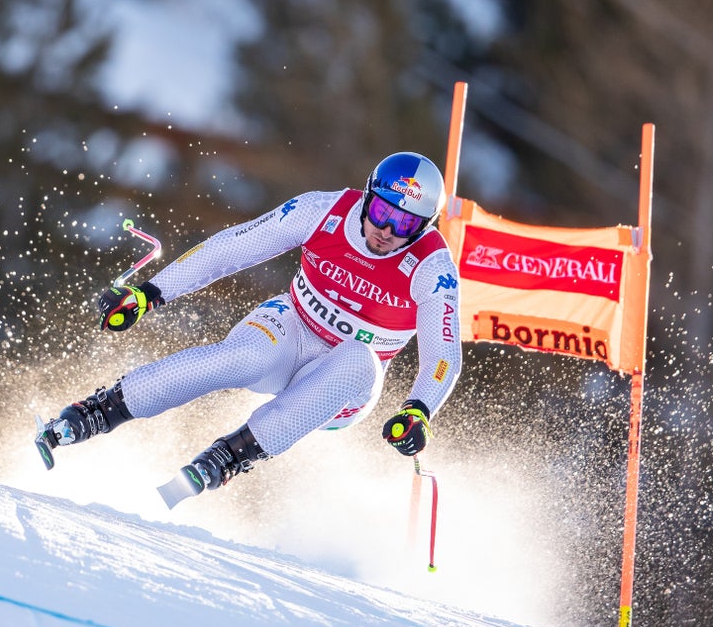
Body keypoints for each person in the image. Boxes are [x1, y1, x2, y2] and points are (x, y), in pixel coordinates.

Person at [37, 152, 463, 502]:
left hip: (337, 384)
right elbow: (231, 247)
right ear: (367, 197)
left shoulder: (432, 266)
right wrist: (150, 294)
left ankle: (226, 458)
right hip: (292, 328)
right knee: (245, 356)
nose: (387, 231)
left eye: (404, 224)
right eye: (383, 212)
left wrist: (419, 410)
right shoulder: (323, 210)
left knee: (361, 361)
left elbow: (443, 357)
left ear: (423, 227)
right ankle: (93, 414)